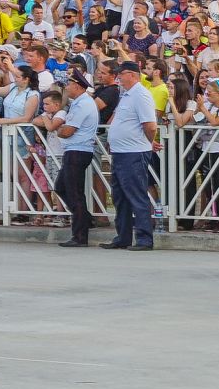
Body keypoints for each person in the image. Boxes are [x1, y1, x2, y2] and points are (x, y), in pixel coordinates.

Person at [102, 59, 158, 250]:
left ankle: (144, 238)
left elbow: (150, 126)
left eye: (122, 73)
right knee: (120, 197)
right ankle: (123, 236)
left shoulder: (141, 95)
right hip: (121, 151)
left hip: (133, 152)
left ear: (133, 75)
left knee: (136, 195)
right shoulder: (127, 94)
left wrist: (147, 143)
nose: (118, 76)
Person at [42, 71, 100, 248]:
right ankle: (85, 218)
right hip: (74, 150)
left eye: (69, 84)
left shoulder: (83, 104)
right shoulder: (79, 103)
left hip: (78, 150)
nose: (66, 88)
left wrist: (59, 130)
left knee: (74, 192)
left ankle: (80, 235)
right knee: (61, 187)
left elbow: (67, 131)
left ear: (77, 86)